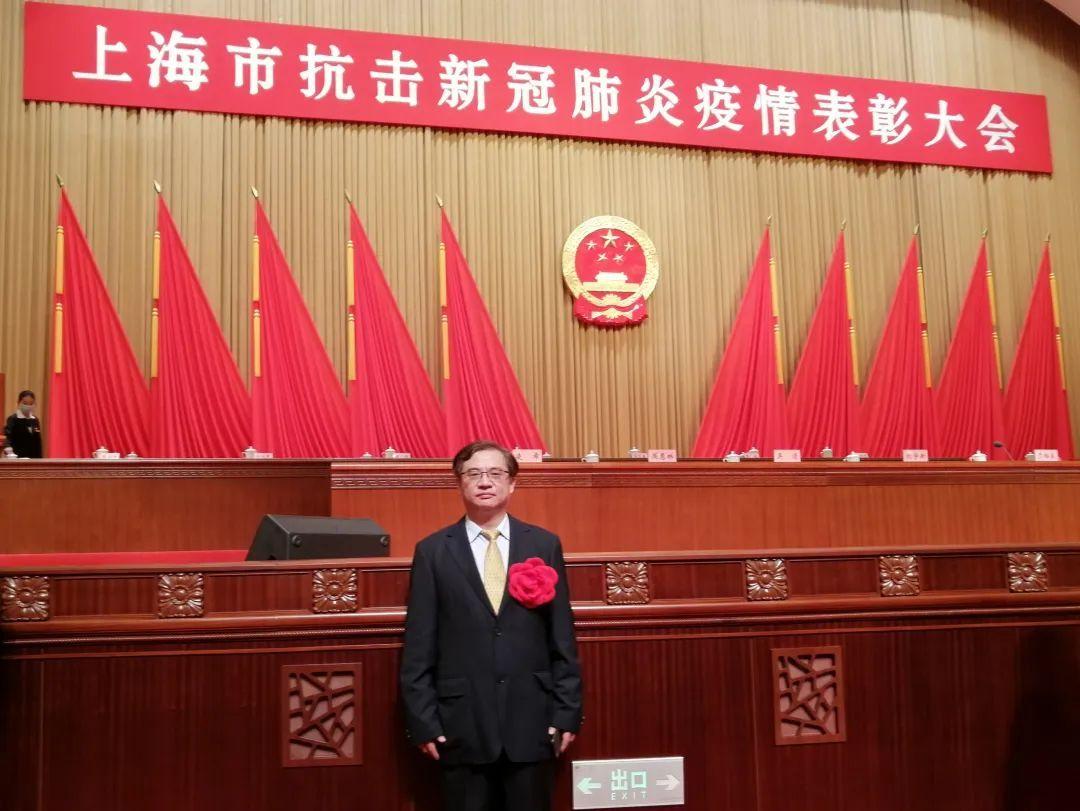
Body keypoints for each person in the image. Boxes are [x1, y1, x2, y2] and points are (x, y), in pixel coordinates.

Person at [400, 440, 583, 811]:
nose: (485, 482)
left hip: (532, 721)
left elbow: (562, 638)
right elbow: (419, 645)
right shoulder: (433, 551)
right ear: (459, 483)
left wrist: (566, 713)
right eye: (474, 474)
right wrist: (423, 721)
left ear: (512, 483)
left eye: (496, 473)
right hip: (460, 725)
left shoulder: (544, 545)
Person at [3, 390, 43, 458]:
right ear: (18, 403)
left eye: (31, 403)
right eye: (25, 403)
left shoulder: (35, 419)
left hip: (34, 458)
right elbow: (8, 437)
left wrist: (40, 458)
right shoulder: (13, 419)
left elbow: (38, 441)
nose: (28, 406)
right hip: (18, 457)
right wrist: (9, 451)